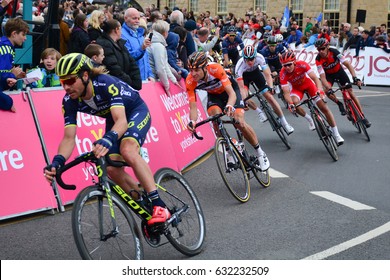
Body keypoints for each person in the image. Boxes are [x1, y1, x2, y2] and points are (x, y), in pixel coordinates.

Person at [43, 53, 170, 226]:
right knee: (111, 168)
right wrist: (57, 162)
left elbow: (121, 121)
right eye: (62, 82)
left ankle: (158, 204)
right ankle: (145, 207)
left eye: (71, 81)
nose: (66, 87)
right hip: (114, 118)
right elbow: (68, 137)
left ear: (85, 75)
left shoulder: (105, 83)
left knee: (127, 149)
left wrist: (108, 139)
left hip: (134, 111)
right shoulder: (69, 101)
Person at [186, 51, 270, 171]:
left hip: (230, 93)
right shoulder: (190, 80)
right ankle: (230, 147)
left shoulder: (215, 69)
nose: (193, 73)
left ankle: (260, 152)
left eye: (196, 70)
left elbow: (232, 94)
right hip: (215, 97)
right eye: (190, 70)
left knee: (238, 121)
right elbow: (193, 107)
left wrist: (230, 105)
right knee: (213, 117)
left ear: (205, 67)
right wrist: (192, 121)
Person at [279, 51, 345, 145]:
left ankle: (336, 134)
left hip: (308, 85)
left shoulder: (302, 64)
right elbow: (286, 93)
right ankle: (309, 119)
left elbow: (315, 78)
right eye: (284, 65)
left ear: (294, 61)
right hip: (297, 89)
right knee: (294, 103)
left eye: (289, 64)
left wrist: (319, 90)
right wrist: (290, 104)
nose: (287, 67)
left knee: (323, 108)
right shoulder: (282, 73)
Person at [236, 45, 294, 134]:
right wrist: (244, 100)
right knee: (245, 97)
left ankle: (285, 123)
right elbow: (241, 87)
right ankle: (258, 111)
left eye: (252, 59)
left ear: (255, 56)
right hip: (245, 77)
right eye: (247, 60)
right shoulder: (239, 66)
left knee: (269, 97)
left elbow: (267, 74)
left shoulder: (259, 57)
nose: (250, 62)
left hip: (256, 74)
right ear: (244, 58)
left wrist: (270, 87)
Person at [314, 38, 371, 128]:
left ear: (327, 47)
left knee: (350, 92)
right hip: (329, 76)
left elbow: (348, 64)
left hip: (340, 73)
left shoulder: (334, 52)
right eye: (318, 49)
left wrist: (355, 77)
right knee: (326, 91)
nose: (321, 51)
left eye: (322, 48)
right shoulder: (318, 59)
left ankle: (362, 116)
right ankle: (339, 103)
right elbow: (322, 78)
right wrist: (329, 89)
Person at [96, 19, 142, 90]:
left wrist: (136, 82)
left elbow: (132, 63)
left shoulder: (120, 43)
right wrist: (129, 83)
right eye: (120, 29)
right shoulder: (104, 44)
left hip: (126, 85)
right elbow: (113, 68)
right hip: (114, 87)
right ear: (116, 30)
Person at [147, 20, 181, 96]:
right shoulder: (158, 46)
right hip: (152, 78)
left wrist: (173, 80)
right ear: (164, 33)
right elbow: (160, 69)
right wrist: (167, 86)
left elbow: (165, 65)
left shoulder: (154, 43)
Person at [122, 8, 154, 82]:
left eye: (138, 18)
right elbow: (128, 58)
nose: (137, 21)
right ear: (126, 18)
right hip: (133, 79)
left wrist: (150, 74)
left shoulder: (140, 34)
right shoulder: (122, 35)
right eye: (134, 18)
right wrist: (141, 48)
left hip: (145, 78)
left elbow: (146, 58)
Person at [0, 17, 29, 81]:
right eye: (23, 35)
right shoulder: (6, 50)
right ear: (14, 34)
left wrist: (15, 75)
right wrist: (13, 75)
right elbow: (2, 77)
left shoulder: (3, 44)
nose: (25, 38)